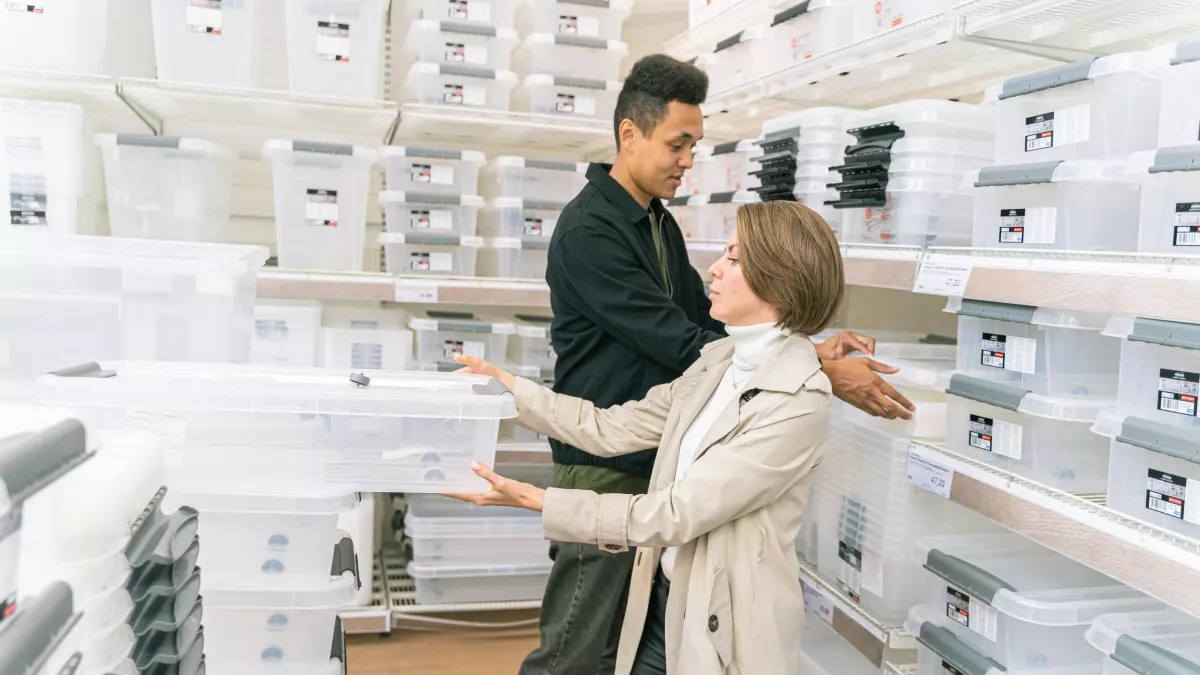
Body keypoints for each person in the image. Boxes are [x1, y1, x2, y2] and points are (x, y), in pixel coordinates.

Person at [524, 53, 914, 675]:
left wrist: (799, 353)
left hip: (656, 458)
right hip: (605, 464)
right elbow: (680, 342)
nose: (687, 161)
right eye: (678, 145)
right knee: (575, 650)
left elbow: (714, 329)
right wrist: (812, 369)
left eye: (694, 147)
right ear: (631, 134)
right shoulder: (589, 233)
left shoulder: (656, 222)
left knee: (619, 650)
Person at [450, 200, 852, 675]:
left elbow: (678, 512)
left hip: (724, 626)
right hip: (666, 599)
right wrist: (508, 388)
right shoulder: (720, 360)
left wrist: (539, 500)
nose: (714, 269)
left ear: (779, 278)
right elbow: (613, 426)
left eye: (734, 258)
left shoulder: (798, 399)